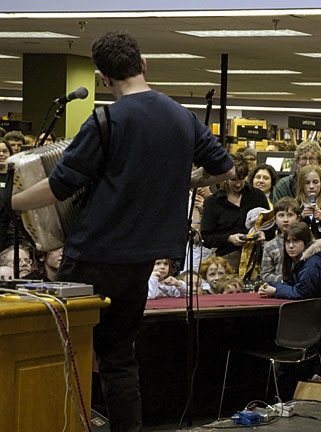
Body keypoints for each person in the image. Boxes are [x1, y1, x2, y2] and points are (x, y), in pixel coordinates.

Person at [9, 31, 235, 432]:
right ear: (143, 63)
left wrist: (9, 202)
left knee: (62, 352)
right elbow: (226, 170)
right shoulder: (183, 117)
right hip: (142, 261)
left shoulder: (105, 119)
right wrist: (185, 181)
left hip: (92, 256)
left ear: (102, 78)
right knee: (118, 358)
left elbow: (60, 187)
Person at [201, 154, 270, 273]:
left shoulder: (257, 196)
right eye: (234, 180)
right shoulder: (213, 202)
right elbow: (207, 238)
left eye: (241, 179)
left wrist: (264, 234)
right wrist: (229, 238)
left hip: (257, 258)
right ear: (225, 178)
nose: (238, 184)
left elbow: (270, 224)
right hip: (227, 259)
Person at [258, 221, 321, 300]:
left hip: (319, 309)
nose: (291, 246)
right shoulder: (300, 260)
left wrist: (275, 291)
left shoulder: (313, 263)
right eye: (288, 241)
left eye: (296, 241)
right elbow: (292, 284)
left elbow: (303, 292)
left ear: (306, 242)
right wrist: (269, 286)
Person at [260, 197, 301, 283]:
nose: (285, 220)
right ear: (275, 219)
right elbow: (265, 274)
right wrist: (284, 280)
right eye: (281, 215)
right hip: (280, 288)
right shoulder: (270, 246)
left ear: (298, 218)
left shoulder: (305, 241)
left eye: (290, 215)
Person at [296, 165, 321, 240]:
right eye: (306, 182)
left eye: (315, 182)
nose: (311, 186)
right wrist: (301, 218)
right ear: (301, 185)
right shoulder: (294, 207)